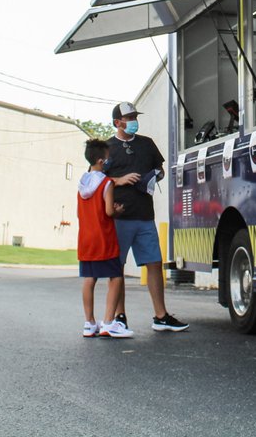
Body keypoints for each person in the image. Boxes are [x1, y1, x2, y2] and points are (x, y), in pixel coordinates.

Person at [104, 102, 190, 332]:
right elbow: (95, 179)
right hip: (119, 216)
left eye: (134, 116)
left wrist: (153, 177)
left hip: (144, 215)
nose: (133, 121)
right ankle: (119, 316)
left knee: (154, 263)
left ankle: (161, 316)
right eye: (129, 117)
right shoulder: (107, 148)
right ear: (117, 123)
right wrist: (119, 180)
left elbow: (160, 169)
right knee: (117, 267)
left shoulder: (146, 144)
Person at [76, 138, 139, 338]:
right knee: (116, 277)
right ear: (102, 161)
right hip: (104, 237)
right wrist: (118, 209)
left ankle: (89, 323)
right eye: (108, 158)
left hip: (86, 238)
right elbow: (109, 211)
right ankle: (109, 322)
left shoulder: (82, 183)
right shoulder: (106, 183)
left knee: (89, 279)